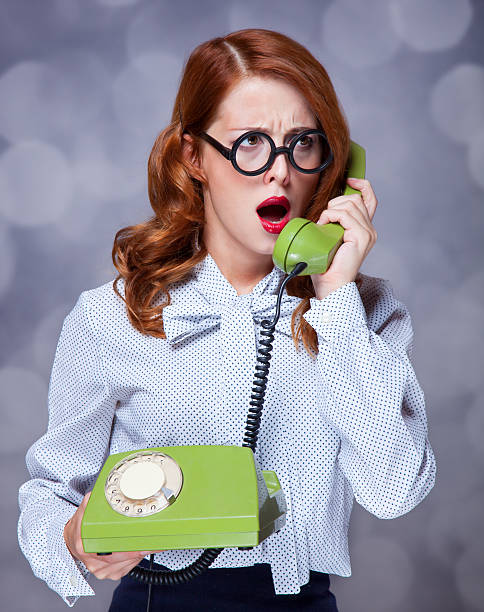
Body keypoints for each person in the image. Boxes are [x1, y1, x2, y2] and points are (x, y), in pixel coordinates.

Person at [18, 28, 436, 611]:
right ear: (194, 157)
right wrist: (72, 536)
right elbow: (49, 492)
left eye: (302, 144)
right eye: (251, 144)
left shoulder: (362, 311)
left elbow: (394, 489)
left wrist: (335, 294)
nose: (280, 173)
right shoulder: (114, 315)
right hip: (158, 599)